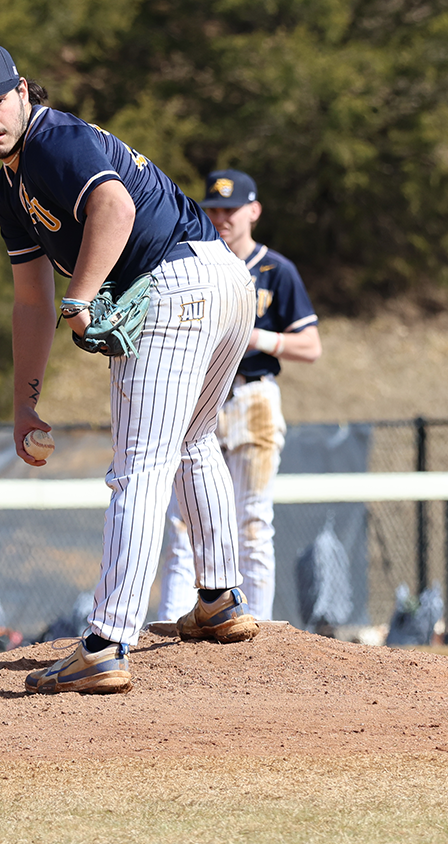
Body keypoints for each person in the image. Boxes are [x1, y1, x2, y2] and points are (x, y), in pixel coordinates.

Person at [0, 42, 261, 695]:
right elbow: (30, 301)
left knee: (139, 465)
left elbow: (115, 208)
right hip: (221, 283)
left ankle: (106, 642)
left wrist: (81, 298)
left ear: (23, 92)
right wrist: (24, 401)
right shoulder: (12, 189)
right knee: (192, 440)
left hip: (175, 283)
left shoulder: (53, 140)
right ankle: (219, 598)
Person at [155, 170, 321, 624]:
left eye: (231, 209)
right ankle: (174, 624)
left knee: (252, 522)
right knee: (183, 522)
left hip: (252, 396)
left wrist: (257, 337)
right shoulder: (192, 263)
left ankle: (257, 626)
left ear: (254, 210)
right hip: (196, 395)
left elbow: (311, 346)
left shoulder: (274, 270)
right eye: (213, 209)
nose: (222, 217)